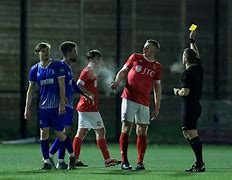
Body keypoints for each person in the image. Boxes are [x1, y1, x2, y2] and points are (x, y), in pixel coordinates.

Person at [110, 39, 163, 170]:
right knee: (127, 127)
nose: (144, 49)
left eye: (148, 47)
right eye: (144, 46)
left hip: (144, 102)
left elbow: (157, 88)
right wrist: (117, 82)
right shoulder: (135, 57)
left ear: (155, 50)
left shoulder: (157, 67)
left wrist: (157, 107)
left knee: (142, 130)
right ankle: (125, 161)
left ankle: (140, 162)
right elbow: (123, 71)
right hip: (129, 97)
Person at [24, 42, 76, 170]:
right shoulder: (34, 69)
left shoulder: (57, 66)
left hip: (56, 107)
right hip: (43, 108)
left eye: (47, 50)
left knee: (60, 134)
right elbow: (30, 90)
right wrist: (27, 107)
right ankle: (47, 161)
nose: (46, 53)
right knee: (44, 132)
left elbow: (62, 85)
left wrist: (62, 104)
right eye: (43, 51)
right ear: (37, 53)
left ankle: (73, 155)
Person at [72, 50, 121, 167]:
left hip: (85, 107)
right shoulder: (87, 70)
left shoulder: (92, 71)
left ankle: (74, 159)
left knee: (81, 133)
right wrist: (89, 94)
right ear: (93, 59)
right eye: (99, 59)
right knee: (100, 131)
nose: (100, 61)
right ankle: (107, 159)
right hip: (89, 107)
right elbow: (78, 84)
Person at [49, 41, 90, 169]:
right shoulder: (60, 66)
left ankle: (60, 161)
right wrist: (60, 99)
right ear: (68, 53)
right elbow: (54, 84)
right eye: (74, 51)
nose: (76, 54)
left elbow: (71, 83)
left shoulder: (67, 68)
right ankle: (50, 155)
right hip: (63, 105)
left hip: (69, 105)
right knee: (65, 131)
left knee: (65, 132)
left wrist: (84, 94)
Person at [173, 31, 205, 172]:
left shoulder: (187, 73)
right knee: (187, 133)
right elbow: (196, 54)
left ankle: (200, 164)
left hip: (189, 106)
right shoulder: (198, 68)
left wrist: (177, 91)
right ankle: (199, 163)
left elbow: (185, 92)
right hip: (196, 105)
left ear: (185, 58)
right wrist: (191, 40)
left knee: (191, 134)